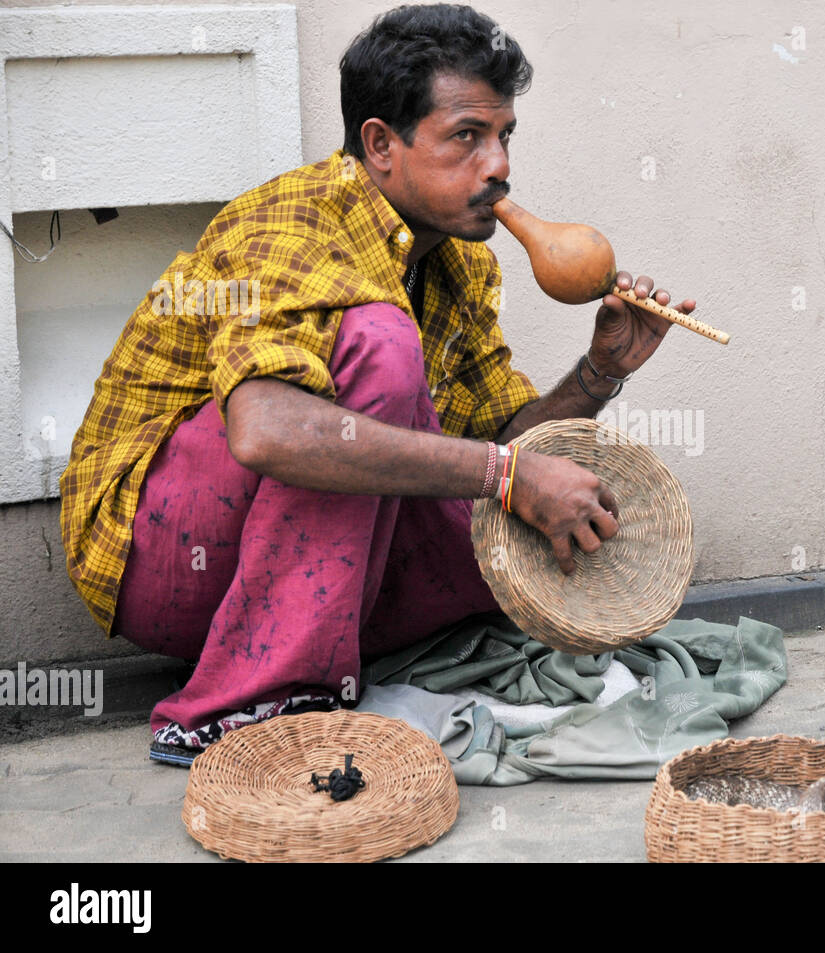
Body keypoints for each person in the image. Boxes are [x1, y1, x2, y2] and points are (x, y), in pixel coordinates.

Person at [58, 3, 697, 759]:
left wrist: (599, 372)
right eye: (467, 137)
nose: (499, 167)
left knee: (502, 536)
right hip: (163, 557)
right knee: (383, 348)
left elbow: (499, 444)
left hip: (304, 563)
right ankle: (248, 708)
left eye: (503, 137)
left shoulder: (462, 263)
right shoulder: (291, 221)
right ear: (380, 144)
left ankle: (317, 659)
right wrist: (505, 472)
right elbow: (264, 429)